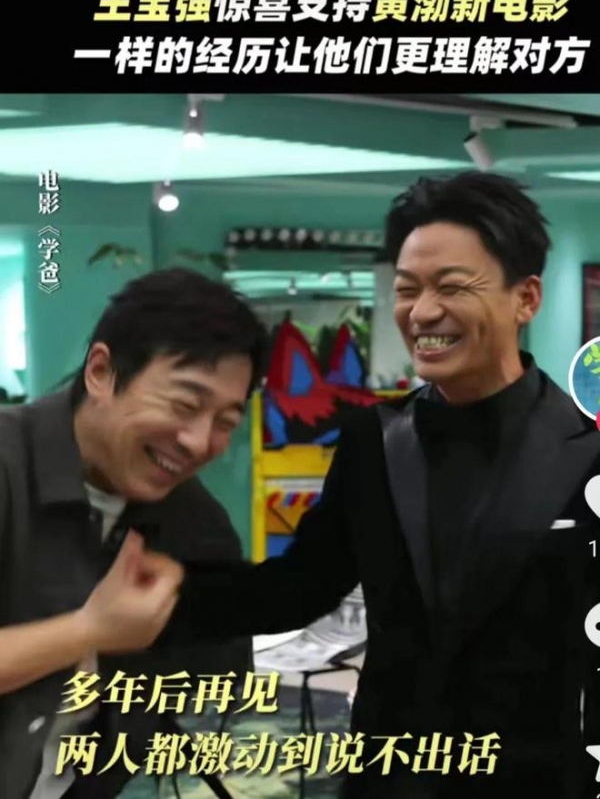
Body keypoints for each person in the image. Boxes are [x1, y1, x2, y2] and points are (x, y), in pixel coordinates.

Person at [175, 172, 600, 798]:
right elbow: (297, 589)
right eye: (406, 289)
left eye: (451, 287)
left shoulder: (588, 448)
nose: (422, 312)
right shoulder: (373, 442)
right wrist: (161, 593)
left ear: (526, 298)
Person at [0, 267, 267, 799]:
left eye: (225, 421)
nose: (199, 442)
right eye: (185, 404)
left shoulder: (197, 527)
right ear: (102, 371)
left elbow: (214, 704)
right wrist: (88, 630)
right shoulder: (9, 467)